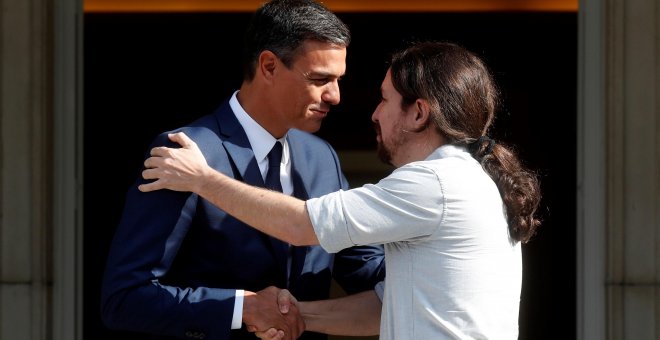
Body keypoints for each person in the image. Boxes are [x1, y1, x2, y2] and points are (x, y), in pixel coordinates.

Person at [139, 41, 543, 339]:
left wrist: (201, 177)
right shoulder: (471, 180)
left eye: (385, 100)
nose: (374, 113)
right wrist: (287, 313)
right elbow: (383, 307)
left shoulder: (435, 183)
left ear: (419, 113)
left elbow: (301, 224)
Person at [100, 0, 385, 339]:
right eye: (320, 78)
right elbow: (125, 299)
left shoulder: (322, 157)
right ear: (268, 66)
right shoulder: (186, 153)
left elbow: (365, 265)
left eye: (338, 79)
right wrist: (240, 308)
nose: (335, 96)